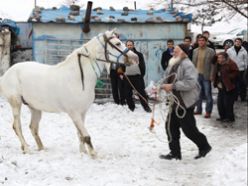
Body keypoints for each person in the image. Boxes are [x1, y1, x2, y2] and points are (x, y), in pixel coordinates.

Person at [158, 44, 211, 160]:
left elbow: (190, 83)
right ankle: (175, 153)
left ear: (184, 53)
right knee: (170, 128)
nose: (173, 53)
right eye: (173, 51)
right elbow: (166, 78)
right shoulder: (173, 63)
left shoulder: (188, 65)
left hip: (185, 103)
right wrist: (159, 87)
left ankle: (204, 146)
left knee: (189, 130)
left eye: (176, 51)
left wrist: (172, 86)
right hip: (174, 102)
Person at [124, 40, 151, 112]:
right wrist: (121, 74)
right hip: (127, 77)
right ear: (126, 46)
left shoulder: (139, 54)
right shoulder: (124, 54)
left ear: (133, 45)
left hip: (137, 77)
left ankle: (146, 107)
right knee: (128, 93)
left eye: (131, 45)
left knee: (141, 93)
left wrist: (141, 74)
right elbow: (121, 65)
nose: (129, 46)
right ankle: (131, 107)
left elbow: (142, 65)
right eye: (128, 45)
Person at [192, 35, 215, 118]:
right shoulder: (195, 51)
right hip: (197, 75)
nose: (201, 42)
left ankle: (208, 111)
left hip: (206, 75)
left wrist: (212, 75)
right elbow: (193, 64)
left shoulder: (211, 51)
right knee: (198, 94)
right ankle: (199, 110)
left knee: (208, 94)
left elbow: (213, 65)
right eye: (199, 40)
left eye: (202, 40)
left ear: (206, 41)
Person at [213, 52, 239, 122]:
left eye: (221, 57)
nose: (219, 59)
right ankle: (222, 116)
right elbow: (216, 71)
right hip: (220, 86)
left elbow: (236, 73)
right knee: (220, 103)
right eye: (218, 57)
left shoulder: (231, 63)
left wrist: (227, 77)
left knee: (227, 103)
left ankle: (230, 118)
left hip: (229, 87)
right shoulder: (218, 63)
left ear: (225, 58)